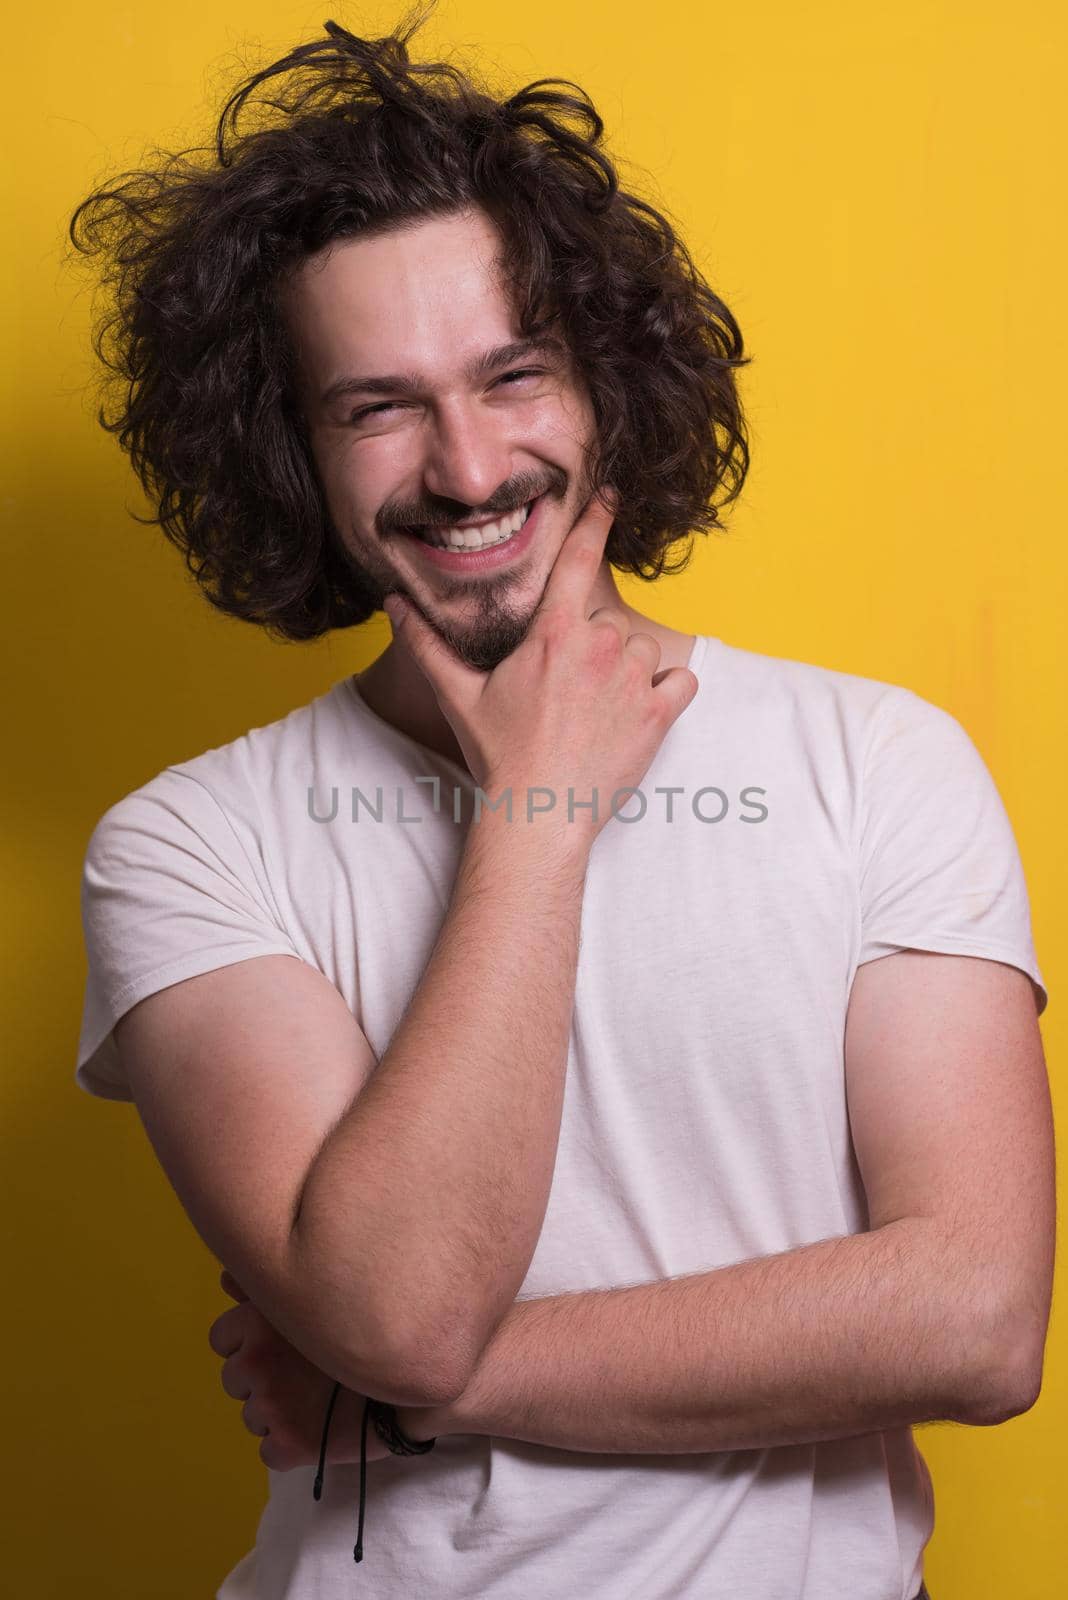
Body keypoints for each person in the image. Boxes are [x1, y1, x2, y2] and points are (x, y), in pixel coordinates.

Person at [69, 7, 1054, 1599]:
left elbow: (976, 1319)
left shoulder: (879, 759)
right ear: (287, 450)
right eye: (376, 406)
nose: (467, 470)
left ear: (605, 382)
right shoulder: (191, 842)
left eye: (512, 376)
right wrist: (537, 805)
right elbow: (395, 1303)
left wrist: (411, 1387)